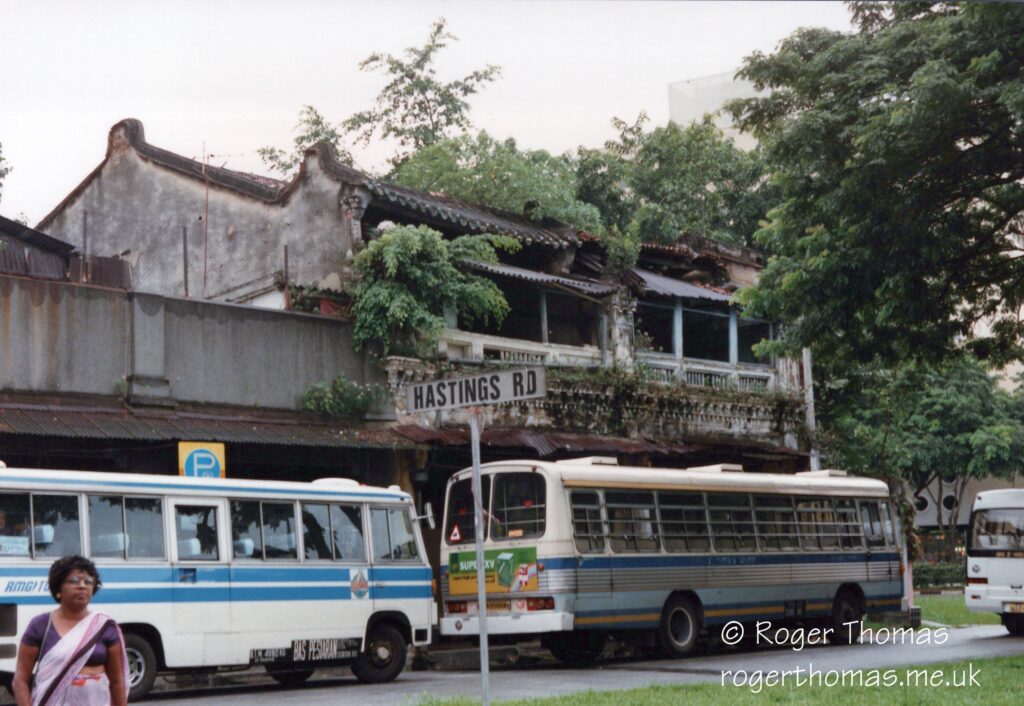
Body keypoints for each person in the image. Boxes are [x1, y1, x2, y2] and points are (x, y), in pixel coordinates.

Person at [13, 556, 128, 706]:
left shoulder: (104, 626)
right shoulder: (40, 626)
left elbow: (117, 681)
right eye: (74, 581)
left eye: (88, 581)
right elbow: (20, 680)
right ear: (58, 589)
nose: (82, 586)